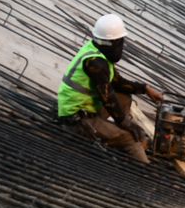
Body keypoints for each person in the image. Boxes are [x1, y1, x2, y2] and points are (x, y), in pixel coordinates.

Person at [57, 13, 164, 164]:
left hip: (87, 106)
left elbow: (118, 83)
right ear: (111, 43)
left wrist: (145, 88)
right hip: (76, 117)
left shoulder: (98, 51)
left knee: (124, 97)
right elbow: (108, 99)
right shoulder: (95, 63)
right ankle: (142, 167)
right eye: (119, 42)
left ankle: (112, 131)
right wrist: (129, 126)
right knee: (129, 138)